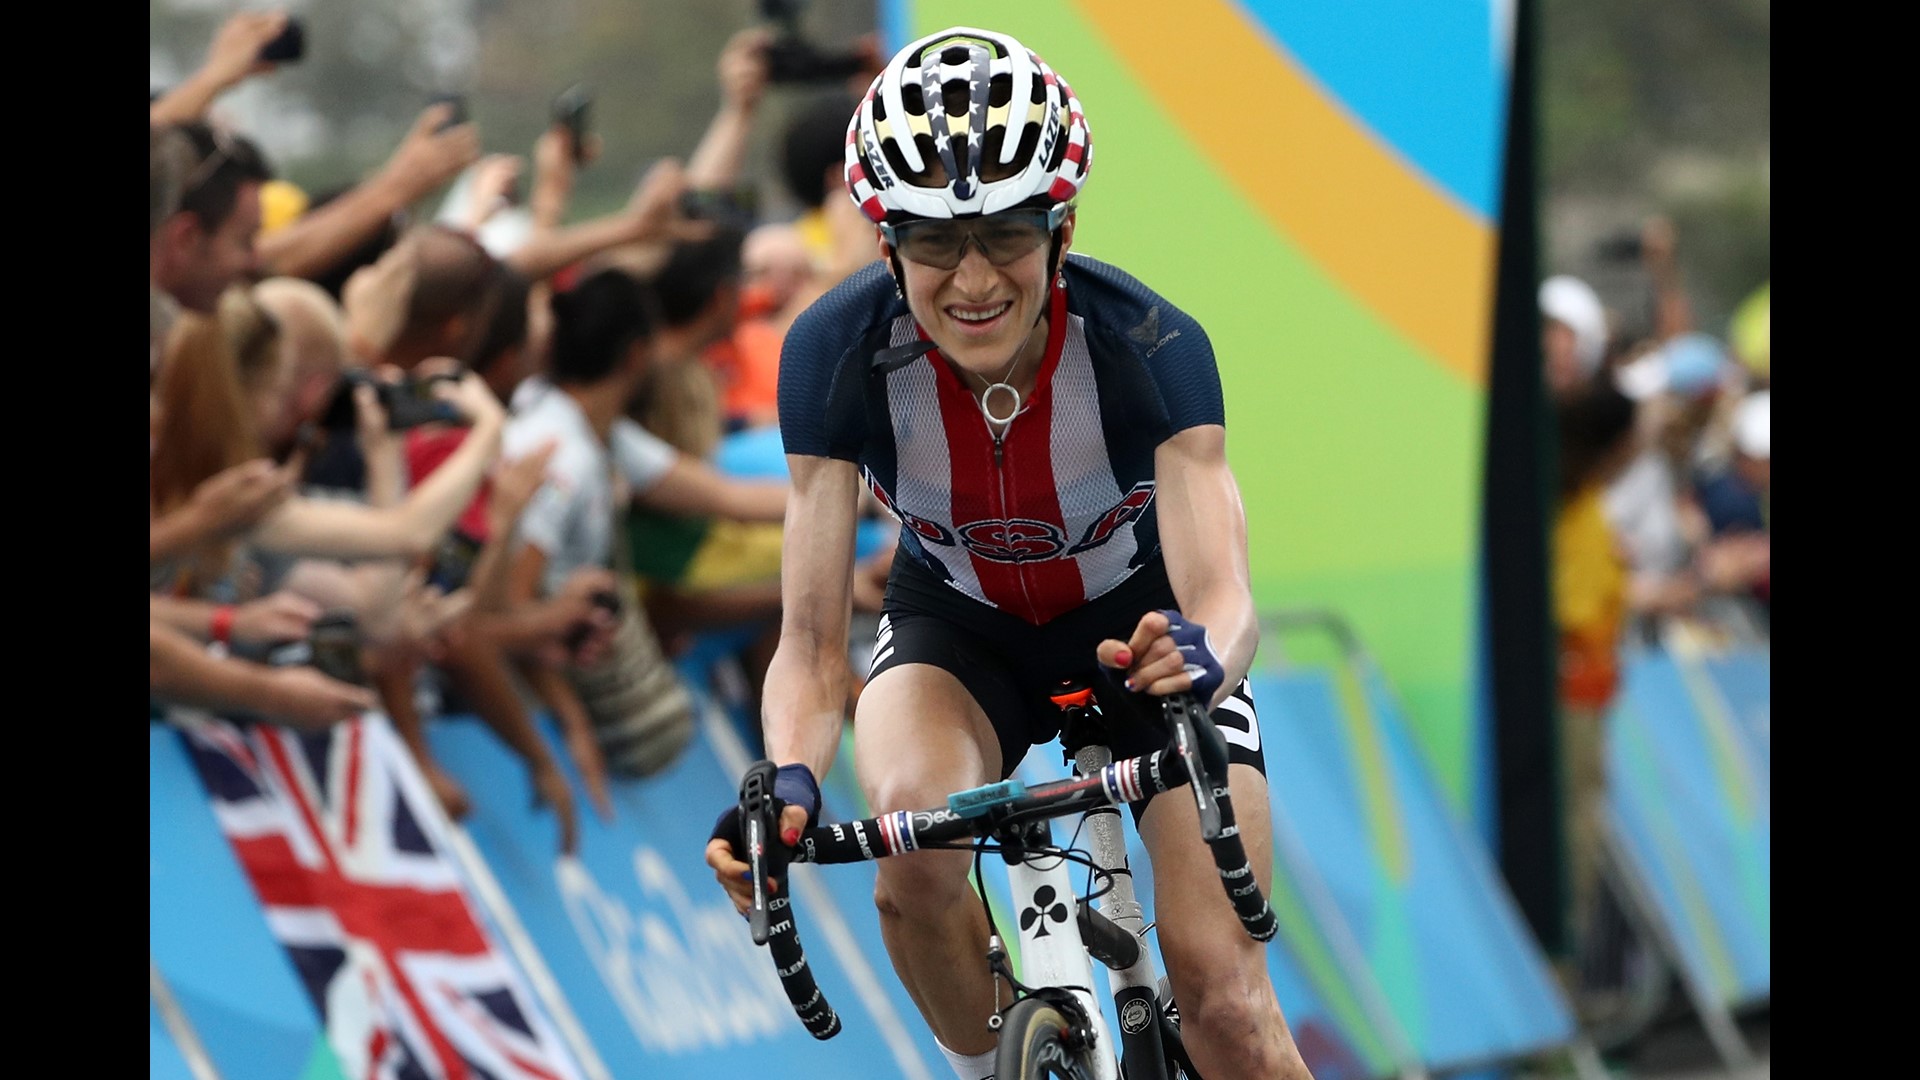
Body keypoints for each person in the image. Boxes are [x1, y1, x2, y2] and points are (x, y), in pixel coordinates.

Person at [705, 28, 1311, 1080]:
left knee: (1222, 998)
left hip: (1142, 635)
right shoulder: (833, 356)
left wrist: (1204, 655)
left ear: (1060, 229)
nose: (974, 277)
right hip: (961, 628)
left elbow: (1221, 589)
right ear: (887, 240)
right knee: (908, 851)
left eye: (1007, 234)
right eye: (936, 240)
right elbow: (809, 645)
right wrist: (791, 776)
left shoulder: (1149, 346)